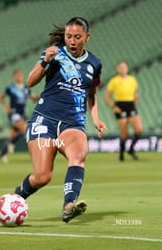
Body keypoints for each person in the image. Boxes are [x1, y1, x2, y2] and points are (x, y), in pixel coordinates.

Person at [13, 17, 107, 223]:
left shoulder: (94, 64)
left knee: (79, 155)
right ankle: (16, 198)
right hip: (44, 120)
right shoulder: (55, 53)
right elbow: (30, 82)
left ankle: (69, 204)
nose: (72, 41)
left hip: (72, 123)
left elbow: (91, 94)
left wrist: (96, 119)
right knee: (43, 176)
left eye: (77, 37)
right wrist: (45, 60)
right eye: (69, 36)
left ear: (87, 37)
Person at [0, 69, 39, 163]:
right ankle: (11, 144)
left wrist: (42, 96)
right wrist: (6, 107)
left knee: (12, 135)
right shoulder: (10, 88)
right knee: (24, 130)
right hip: (14, 113)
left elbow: (33, 98)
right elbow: (0, 97)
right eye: (17, 75)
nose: (19, 76)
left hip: (21, 114)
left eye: (20, 75)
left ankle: (2, 153)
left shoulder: (26, 88)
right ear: (14, 77)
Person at [105, 61, 143, 161]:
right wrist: (113, 106)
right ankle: (121, 155)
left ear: (127, 69)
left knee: (139, 130)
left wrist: (136, 97)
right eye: (120, 67)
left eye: (124, 67)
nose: (123, 69)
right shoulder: (114, 80)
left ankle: (131, 148)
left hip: (131, 105)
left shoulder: (132, 79)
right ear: (117, 69)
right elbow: (107, 97)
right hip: (120, 105)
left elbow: (134, 92)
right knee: (124, 133)